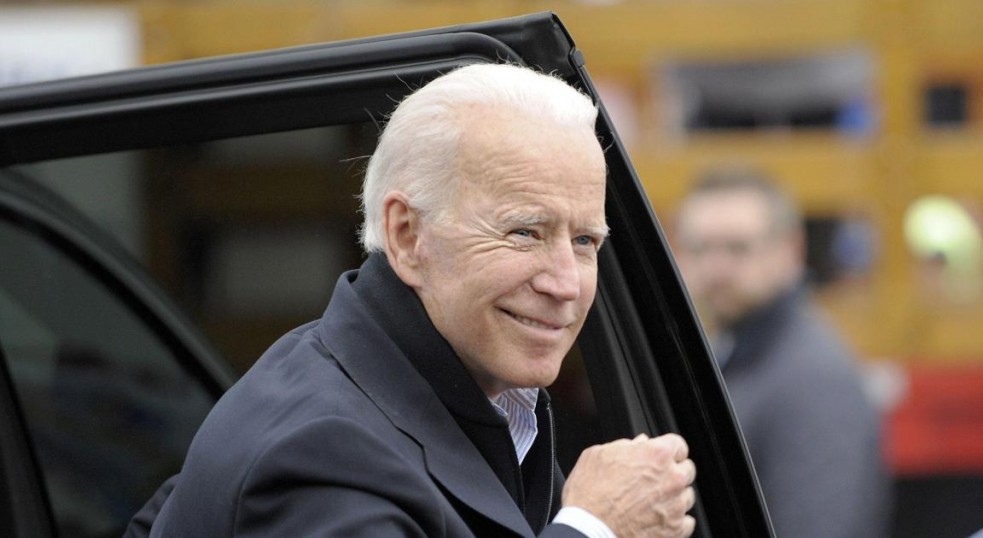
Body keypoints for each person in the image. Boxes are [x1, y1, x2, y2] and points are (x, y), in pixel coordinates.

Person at [124, 63, 698, 538]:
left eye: (584, 241)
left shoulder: (478, 396)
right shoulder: (322, 452)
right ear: (406, 235)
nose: (566, 283)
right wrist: (594, 528)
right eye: (524, 232)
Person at [671, 168, 889, 538]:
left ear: (791, 249)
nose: (716, 268)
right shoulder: (739, 350)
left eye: (738, 248)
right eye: (699, 248)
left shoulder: (814, 382)